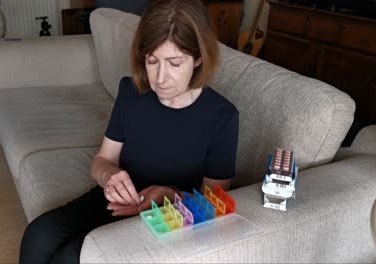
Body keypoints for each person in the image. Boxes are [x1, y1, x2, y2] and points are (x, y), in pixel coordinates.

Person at [19, 0, 239, 263]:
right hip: (116, 199)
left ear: (199, 58)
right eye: (152, 60)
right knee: (37, 235)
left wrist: (169, 194)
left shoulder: (222, 117)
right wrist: (110, 175)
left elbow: (213, 202)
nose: (160, 77)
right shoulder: (131, 93)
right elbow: (102, 160)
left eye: (175, 63)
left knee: (70, 258)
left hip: (165, 217)